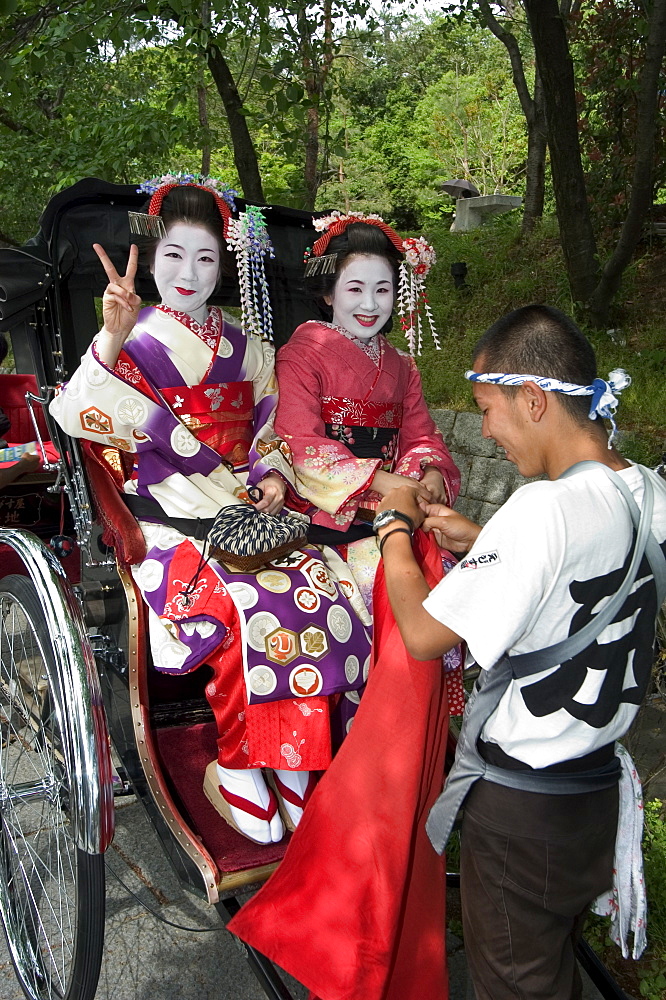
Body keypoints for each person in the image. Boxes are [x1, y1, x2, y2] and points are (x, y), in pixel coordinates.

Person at [50, 173, 371, 846]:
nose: (188, 272)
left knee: (324, 589)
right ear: (154, 259)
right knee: (243, 606)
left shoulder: (249, 348)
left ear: (223, 265)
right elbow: (76, 414)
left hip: (245, 520)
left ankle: (293, 760)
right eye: (174, 256)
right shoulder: (132, 342)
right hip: (168, 525)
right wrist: (108, 336)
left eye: (205, 257)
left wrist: (275, 480)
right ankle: (239, 767)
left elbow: (269, 436)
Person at [372, 304, 666, 1000]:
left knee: (517, 985)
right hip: (593, 797)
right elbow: (585, 575)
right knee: (551, 965)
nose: (484, 431)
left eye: (487, 408)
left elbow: (422, 634)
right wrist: (485, 545)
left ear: (533, 400)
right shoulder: (647, 490)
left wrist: (393, 527)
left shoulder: (540, 512)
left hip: (522, 817)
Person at [275, 210, 465, 714]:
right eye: (354, 288)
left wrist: (426, 474)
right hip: (323, 519)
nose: (369, 303)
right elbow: (299, 440)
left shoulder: (401, 366)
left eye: (382, 290)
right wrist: (390, 481)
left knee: (448, 581)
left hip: (393, 512)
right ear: (328, 293)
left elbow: (422, 434)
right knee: (356, 606)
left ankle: (417, 727)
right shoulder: (302, 354)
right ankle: (364, 724)